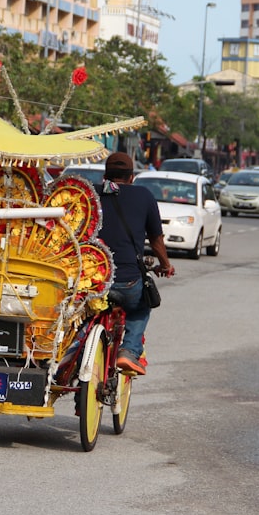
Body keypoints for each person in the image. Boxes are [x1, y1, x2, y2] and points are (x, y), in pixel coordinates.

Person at [95, 152, 174, 375]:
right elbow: (157, 240)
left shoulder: (91, 193)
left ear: (105, 176)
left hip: (91, 282)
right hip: (126, 282)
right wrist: (165, 265)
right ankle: (128, 351)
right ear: (131, 177)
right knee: (141, 308)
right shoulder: (144, 195)